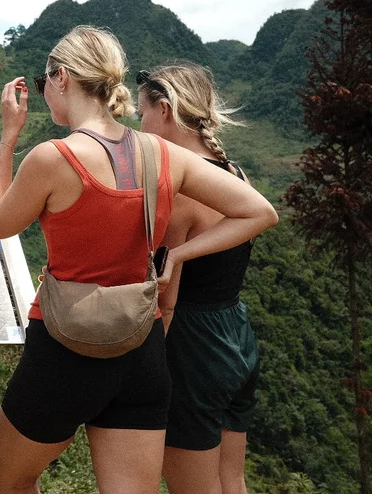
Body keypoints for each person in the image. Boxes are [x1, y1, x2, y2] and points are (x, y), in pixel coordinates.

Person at [0, 26, 278, 494]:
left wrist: (7, 136)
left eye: (44, 83)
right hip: (142, 353)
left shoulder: (51, 158)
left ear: (61, 78)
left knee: (14, 480)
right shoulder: (161, 153)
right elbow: (259, 211)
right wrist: (177, 256)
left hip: (63, 349)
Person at [137, 63, 267, 494]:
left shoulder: (182, 189)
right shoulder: (234, 174)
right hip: (236, 334)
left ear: (166, 110)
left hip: (192, 347)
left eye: (143, 114)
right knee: (232, 480)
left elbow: (167, 299)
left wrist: (146, 370)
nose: (141, 126)